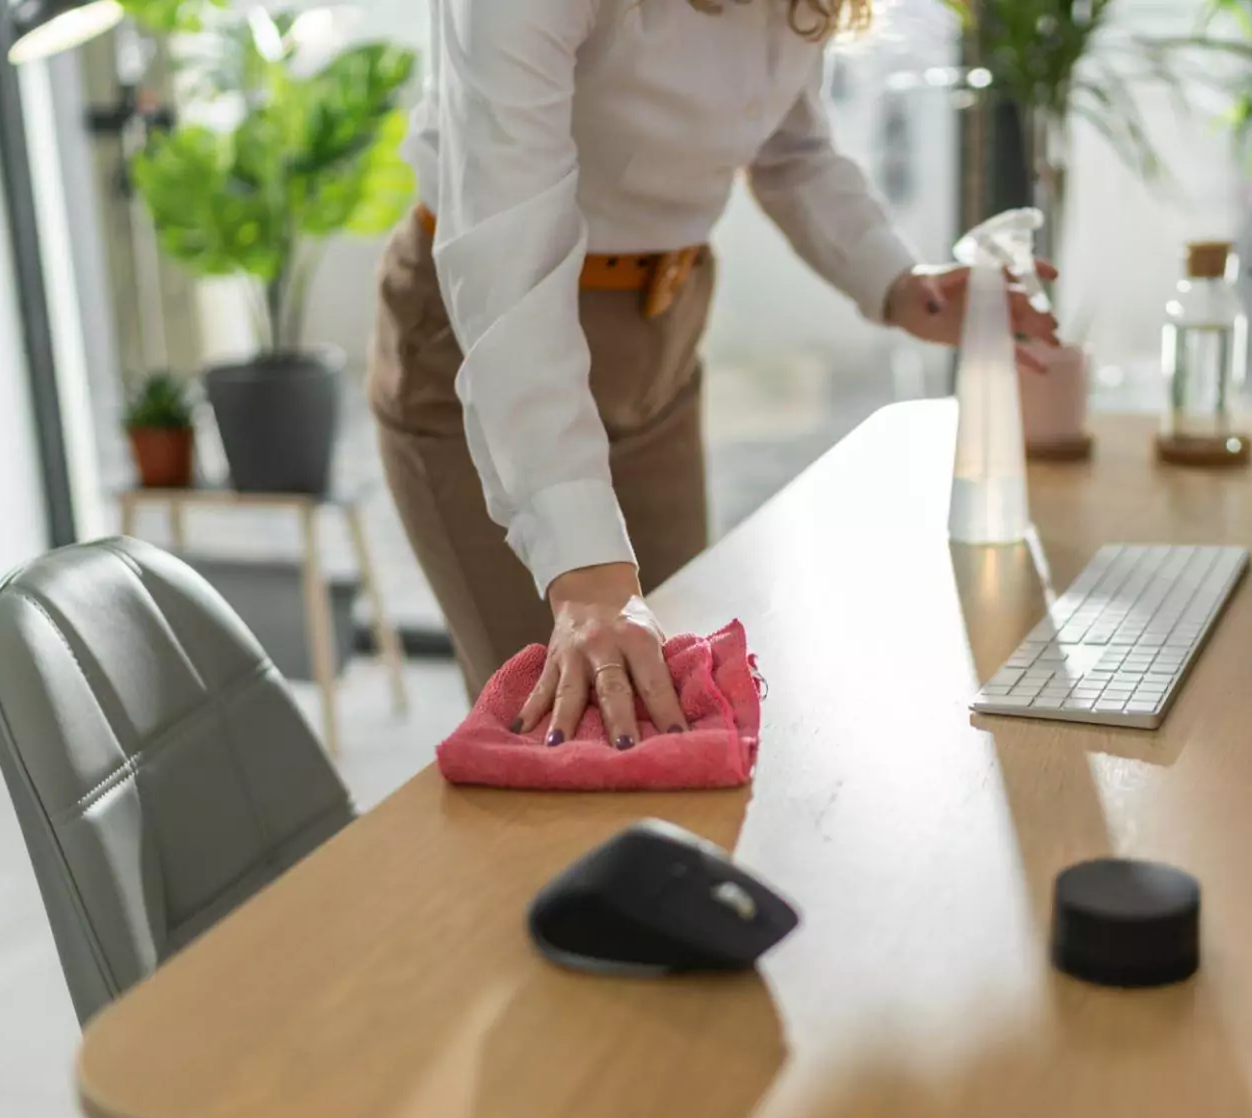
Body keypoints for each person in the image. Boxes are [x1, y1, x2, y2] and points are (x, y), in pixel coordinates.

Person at [371, 0, 1058, 758]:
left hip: (662, 329)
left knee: (679, 727)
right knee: (569, 747)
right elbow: (509, 264)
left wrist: (897, 283)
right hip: (492, 338)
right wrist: (583, 573)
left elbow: (791, 150)